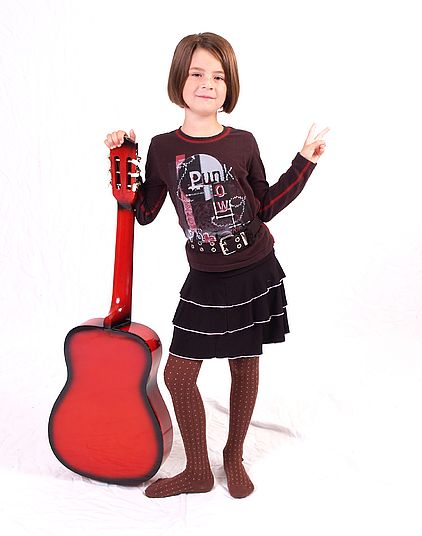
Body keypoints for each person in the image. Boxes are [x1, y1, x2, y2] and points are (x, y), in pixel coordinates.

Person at [104, 32, 328, 499]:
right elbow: (143, 212)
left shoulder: (242, 141)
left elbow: (264, 204)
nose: (209, 83)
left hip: (255, 268)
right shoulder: (164, 148)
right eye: (198, 73)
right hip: (205, 278)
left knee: (244, 362)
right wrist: (122, 155)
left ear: (230, 86)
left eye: (219, 76)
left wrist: (304, 162)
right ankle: (198, 471)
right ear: (179, 81)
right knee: (178, 374)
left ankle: (232, 455)